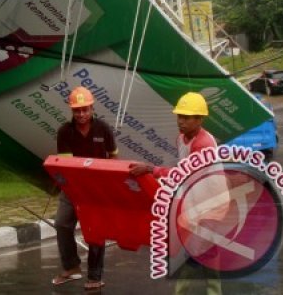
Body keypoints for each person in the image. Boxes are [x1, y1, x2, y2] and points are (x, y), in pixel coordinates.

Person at [129, 92, 223, 295]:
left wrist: (151, 170)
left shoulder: (204, 144)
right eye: (179, 116)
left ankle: (212, 291)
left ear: (199, 119)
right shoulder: (182, 138)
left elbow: (186, 174)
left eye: (187, 117)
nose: (181, 121)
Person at [52, 86, 117, 291]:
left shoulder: (103, 129)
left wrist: (109, 184)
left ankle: (95, 276)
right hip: (72, 188)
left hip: (97, 190)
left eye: (85, 109)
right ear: (72, 111)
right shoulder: (65, 131)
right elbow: (66, 165)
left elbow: (113, 156)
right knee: (62, 223)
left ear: (91, 108)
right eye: (77, 110)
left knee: (95, 231)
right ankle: (71, 267)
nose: (81, 114)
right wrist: (68, 186)